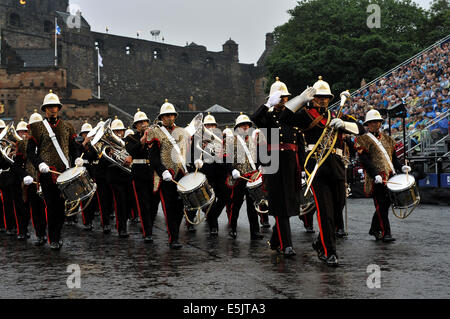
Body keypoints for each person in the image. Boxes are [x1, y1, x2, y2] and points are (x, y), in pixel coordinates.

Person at [281, 77, 364, 266]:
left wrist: (344, 125)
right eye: (319, 97)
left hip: (335, 166)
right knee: (325, 211)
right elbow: (284, 118)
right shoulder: (305, 115)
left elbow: (360, 128)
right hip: (316, 167)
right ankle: (329, 252)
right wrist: (300, 99)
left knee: (337, 209)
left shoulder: (336, 115)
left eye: (326, 97)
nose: (323, 100)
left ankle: (320, 243)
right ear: (313, 98)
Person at [251, 77, 304, 257]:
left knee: (288, 204)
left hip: (291, 165)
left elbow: (300, 145)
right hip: (273, 164)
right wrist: (267, 104)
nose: (283, 100)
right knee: (280, 204)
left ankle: (276, 240)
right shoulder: (268, 116)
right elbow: (255, 118)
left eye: (285, 97)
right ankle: (286, 244)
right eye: (279, 97)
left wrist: (303, 168)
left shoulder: (293, 116)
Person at [26, 90, 82, 250]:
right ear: (45, 109)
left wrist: (77, 157)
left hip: (64, 173)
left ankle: (57, 234)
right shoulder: (36, 128)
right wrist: (39, 164)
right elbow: (30, 152)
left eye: (55, 107)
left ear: (59, 108)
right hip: (47, 173)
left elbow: (73, 148)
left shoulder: (68, 127)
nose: (52, 109)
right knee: (51, 207)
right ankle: (53, 239)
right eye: (49, 107)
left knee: (61, 208)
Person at [354, 109, 410, 242]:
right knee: (381, 205)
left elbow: (393, 159)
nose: (375, 125)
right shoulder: (363, 139)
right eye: (372, 123)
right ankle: (386, 233)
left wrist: (401, 166)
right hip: (376, 179)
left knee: (384, 205)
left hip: (390, 176)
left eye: (377, 122)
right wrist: (374, 175)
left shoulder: (388, 139)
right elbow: (365, 161)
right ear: (368, 124)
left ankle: (374, 229)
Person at [146, 99, 190, 249]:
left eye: (172, 115)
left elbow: (186, 153)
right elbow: (153, 157)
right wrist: (163, 171)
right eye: (166, 116)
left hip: (180, 174)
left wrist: (195, 162)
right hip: (165, 176)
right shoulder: (155, 132)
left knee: (179, 208)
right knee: (168, 208)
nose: (170, 118)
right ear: (161, 118)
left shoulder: (182, 132)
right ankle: (173, 238)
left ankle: (175, 233)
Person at [226, 114, 264, 241]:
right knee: (235, 204)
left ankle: (255, 231)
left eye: (247, 125)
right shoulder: (231, 140)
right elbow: (225, 159)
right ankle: (232, 228)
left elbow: (258, 156)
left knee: (252, 205)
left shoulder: (254, 140)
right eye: (243, 125)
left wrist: (260, 166)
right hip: (239, 177)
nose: (246, 127)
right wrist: (232, 170)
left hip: (252, 176)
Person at [125, 109, 160, 243]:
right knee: (143, 204)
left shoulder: (154, 136)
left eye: (145, 121)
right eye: (140, 123)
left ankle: (148, 225)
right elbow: (131, 151)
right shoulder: (131, 138)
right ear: (136, 126)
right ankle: (147, 232)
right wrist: (142, 141)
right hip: (139, 173)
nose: (143, 124)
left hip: (153, 173)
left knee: (154, 204)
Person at [14, 111, 47, 245]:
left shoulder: (47, 141)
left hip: (45, 179)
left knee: (45, 209)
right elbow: (16, 165)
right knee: (34, 209)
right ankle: (39, 234)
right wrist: (24, 175)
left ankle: (46, 234)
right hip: (31, 180)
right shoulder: (22, 145)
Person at [195, 113, 230, 237]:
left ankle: (212, 216)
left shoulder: (222, 140)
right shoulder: (198, 140)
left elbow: (226, 157)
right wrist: (197, 161)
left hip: (220, 174)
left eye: (212, 125)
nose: (210, 127)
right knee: (210, 201)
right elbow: (193, 155)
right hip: (207, 174)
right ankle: (213, 226)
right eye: (207, 125)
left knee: (225, 197)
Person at [105, 117, 133, 238]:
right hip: (115, 176)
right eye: (116, 131)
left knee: (128, 202)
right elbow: (102, 163)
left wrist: (130, 157)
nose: (119, 133)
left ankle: (123, 223)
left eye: (120, 131)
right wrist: (110, 154)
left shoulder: (128, 142)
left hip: (128, 176)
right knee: (120, 202)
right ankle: (122, 228)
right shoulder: (107, 145)